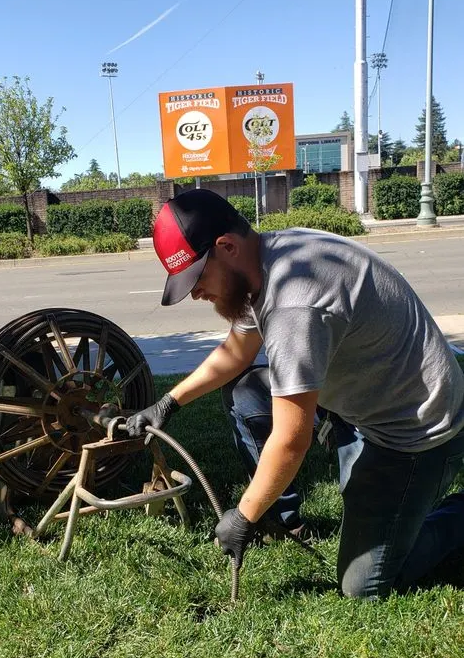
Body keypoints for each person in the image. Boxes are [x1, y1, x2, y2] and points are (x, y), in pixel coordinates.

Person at [125, 188, 464, 599]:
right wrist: (167, 402)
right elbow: (237, 352)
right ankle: (283, 516)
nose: (195, 293)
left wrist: (244, 515)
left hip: (414, 431)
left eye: (196, 278)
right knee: (248, 390)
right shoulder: (271, 259)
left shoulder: (293, 304)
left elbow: (290, 440)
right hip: (366, 399)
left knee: (365, 587)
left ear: (226, 247)